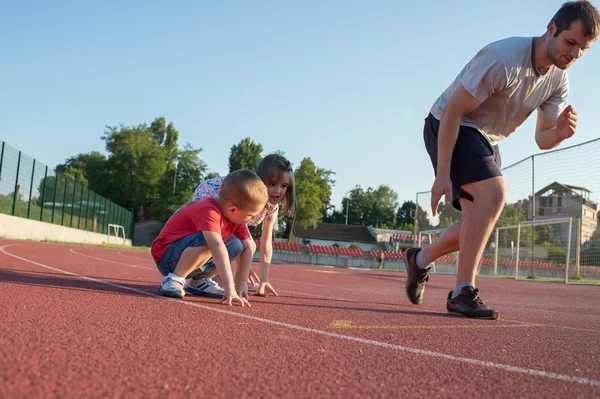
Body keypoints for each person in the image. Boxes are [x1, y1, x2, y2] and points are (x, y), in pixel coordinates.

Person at [403, 0, 600, 319]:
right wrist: (442, 175)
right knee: (494, 194)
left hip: (484, 138)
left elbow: (542, 138)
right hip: (449, 123)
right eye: (570, 43)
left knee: (476, 222)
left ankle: (420, 260)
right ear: (552, 29)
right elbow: (454, 109)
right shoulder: (503, 59)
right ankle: (461, 291)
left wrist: (560, 133)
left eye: (584, 49)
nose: (574, 54)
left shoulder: (558, 80)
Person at [151, 169, 268, 305]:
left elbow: (248, 247)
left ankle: (200, 280)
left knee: (236, 244)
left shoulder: (234, 218)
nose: (251, 219)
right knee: (212, 241)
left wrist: (241, 282)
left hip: (187, 254)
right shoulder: (208, 210)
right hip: (167, 257)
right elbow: (216, 246)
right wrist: (229, 287)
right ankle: (175, 278)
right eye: (250, 215)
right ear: (233, 209)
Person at [188, 154, 296, 297]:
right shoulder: (246, 195)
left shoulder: (272, 207)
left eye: (284, 186)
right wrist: (244, 265)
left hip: (232, 217)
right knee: (237, 243)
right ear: (261, 181)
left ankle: (237, 282)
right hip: (209, 198)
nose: (278, 190)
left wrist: (264, 280)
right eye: (272, 184)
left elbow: (266, 242)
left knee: (246, 246)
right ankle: (211, 277)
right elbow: (236, 230)